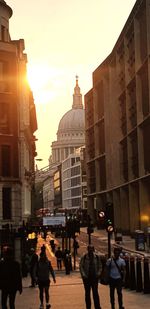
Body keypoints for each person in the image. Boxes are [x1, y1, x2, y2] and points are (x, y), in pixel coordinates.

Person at [79, 244, 102, 309]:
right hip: (87, 278)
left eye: (92, 249)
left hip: (94, 278)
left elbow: (100, 266)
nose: (91, 250)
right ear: (87, 249)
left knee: (95, 293)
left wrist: (98, 273)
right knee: (87, 294)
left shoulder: (97, 257)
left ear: (93, 250)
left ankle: (97, 307)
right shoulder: (84, 257)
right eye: (89, 249)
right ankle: (88, 307)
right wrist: (83, 275)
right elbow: (81, 267)